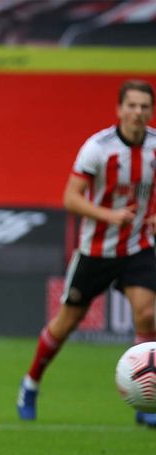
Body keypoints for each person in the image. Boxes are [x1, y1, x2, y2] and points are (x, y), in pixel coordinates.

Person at [16, 79, 156, 427]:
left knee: (147, 314)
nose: (138, 113)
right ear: (119, 109)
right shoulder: (98, 147)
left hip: (138, 247)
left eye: (144, 107)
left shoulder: (155, 147)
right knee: (66, 323)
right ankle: (30, 384)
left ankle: (145, 399)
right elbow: (71, 198)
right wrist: (109, 215)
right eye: (132, 106)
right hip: (96, 249)